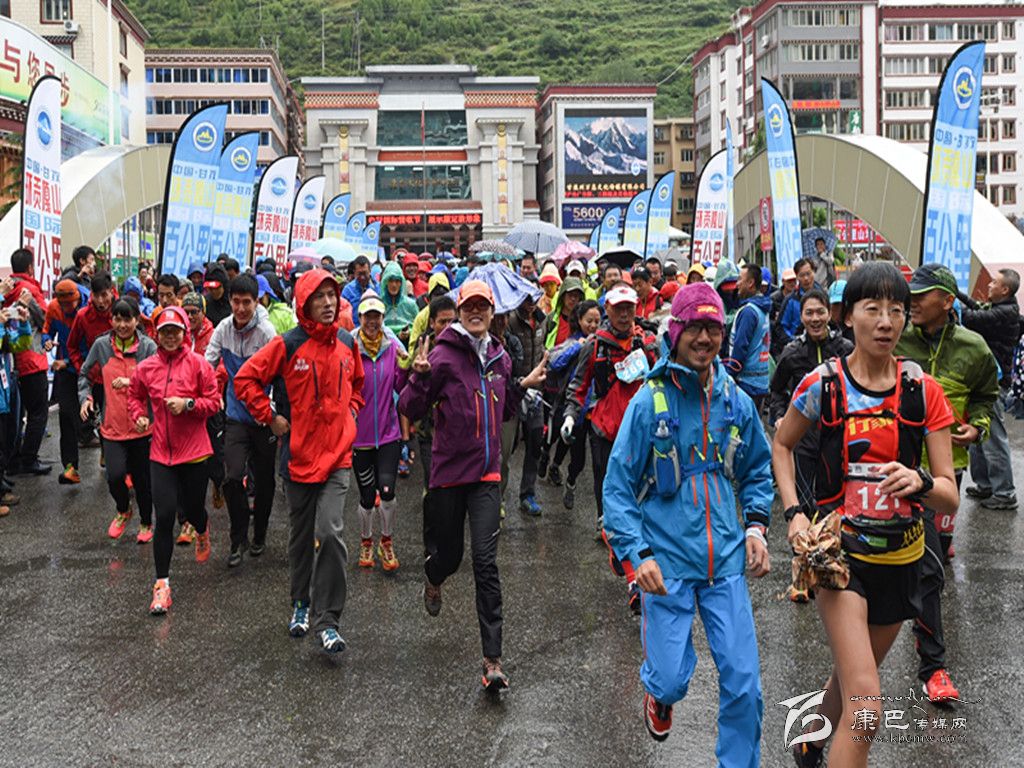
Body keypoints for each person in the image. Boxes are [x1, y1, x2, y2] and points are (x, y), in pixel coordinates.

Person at [773, 262, 959, 767]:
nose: (885, 321)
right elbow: (782, 445)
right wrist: (794, 514)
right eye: (872, 309)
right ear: (848, 315)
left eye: (896, 310)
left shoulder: (923, 391)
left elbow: (949, 495)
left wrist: (921, 482)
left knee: (852, 679)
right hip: (840, 558)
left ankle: (810, 743)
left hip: (902, 561)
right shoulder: (823, 385)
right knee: (867, 708)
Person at [604, 282, 773, 754]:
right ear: (675, 332)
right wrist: (637, 556)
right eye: (694, 328)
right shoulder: (648, 402)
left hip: (726, 563)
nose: (704, 338)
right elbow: (617, 488)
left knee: (745, 686)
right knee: (670, 679)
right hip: (666, 566)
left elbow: (757, 470)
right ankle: (659, 696)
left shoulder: (735, 400)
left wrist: (756, 527)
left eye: (713, 328)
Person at [398, 280, 547, 689]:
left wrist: (523, 386)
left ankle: (492, 659)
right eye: (469, 307)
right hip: (449, 476)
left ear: (493, 312)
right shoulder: (442, 356)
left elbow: (505, 407)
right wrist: (418, 378)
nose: (476, 312)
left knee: (485, 563)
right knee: (449, 558)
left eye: (483, 306)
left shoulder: (500, 356)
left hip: (486, 477)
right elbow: (409, 407)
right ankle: (433, 578)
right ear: (460, 312)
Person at [235, 269, 364, 654]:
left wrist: (352, 413)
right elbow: (245, 379)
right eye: (319, 296)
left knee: (331, 532)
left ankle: (329, 620)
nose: (328, 303)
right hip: (298, 459)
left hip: (338, 457)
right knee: (301, 537)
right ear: (304, 303)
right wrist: (270, 417)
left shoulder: (347, 342)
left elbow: (358, 384)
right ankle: (301, 604)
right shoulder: (288, 344)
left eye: (332, 295)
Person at [895, 263, 998, 703]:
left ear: (948, 301)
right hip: (893, 470)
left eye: (923, 295)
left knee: (931, 566)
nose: (913, 302)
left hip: (943, 475)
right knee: (907, 569)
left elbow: (987, 395)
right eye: (911, 294)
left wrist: (978, 427)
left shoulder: (974, 348)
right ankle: (857, 673)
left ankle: (931, 659)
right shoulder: (895, 338)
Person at [563, 283, 658, 611]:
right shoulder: (595, 346)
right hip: (605, 434)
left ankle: (633, 574)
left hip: (642, 437)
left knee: (642, 507)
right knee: (611, 510)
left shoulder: (647, 343)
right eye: (618, 308)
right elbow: (578, 386)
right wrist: (570, 416)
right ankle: (631, 574)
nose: (624, 314)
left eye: (629, 308)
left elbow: (664, 378)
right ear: (608, 309)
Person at [128, 306, 220, 616]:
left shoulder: (199, 365)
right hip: (161, 453)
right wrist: (139, 417)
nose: (170, 337)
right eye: (164, 332)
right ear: (157, 334)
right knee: (165, 515)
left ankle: (202, 529)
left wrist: (188, 404)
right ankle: (162, 585)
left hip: (194, 452)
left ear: (184, 333)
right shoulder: (146, 368)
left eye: (175, 331)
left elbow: (213, 403)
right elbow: (135, 396)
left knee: (193, 510)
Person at [769, 287, 853, 603]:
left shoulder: (845, 348)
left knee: (834, 506)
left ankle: (833, 569)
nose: (815, 318)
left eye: (820, 312)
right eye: (809, 313)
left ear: (829, 314)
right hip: (803, 441)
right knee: (803, 506)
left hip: (837, 440)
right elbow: (777, 392)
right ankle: (801, 578)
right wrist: (780, 418)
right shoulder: (792, 352)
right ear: (801, 317)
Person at [204, 274, 279, 567]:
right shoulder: (223, 328)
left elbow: (279, 375)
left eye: (247, 302)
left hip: (263, 417)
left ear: (257, 301)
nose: (241, 308)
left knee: (264, 481)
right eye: (236, 302)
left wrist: (274, 413)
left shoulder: (267, 333)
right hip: (235, 416)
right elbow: (207, 366)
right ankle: (237, 539)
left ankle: (259, 533)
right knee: (232, 477)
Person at [79, 298, 157, 542]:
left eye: (127, 319)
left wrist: (132, 382)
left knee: (143, 481)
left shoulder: (148, 347)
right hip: (112, 427)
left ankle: (146, 523)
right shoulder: (102, 346)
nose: (122, 325)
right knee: (114, 476)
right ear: (111, 320)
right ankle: (123, 510)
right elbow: (85, 374)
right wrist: (86, 398)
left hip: (142, 427)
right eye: (117, 319)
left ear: (137, 320)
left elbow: (157, 381)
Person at [352, 290, 407, 572]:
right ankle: (366, 540)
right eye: (367, 316)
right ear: (360, 318)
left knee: (387, 492)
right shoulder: (350, 348)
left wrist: (407, 368)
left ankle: (386, 541)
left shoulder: (392, 347)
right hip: (359, 439)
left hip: (388, 435)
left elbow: (401, 386)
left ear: (383, 318)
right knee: (365, 497)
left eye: (377, 316)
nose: (372, 322)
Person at [960, 267, 1021, 510]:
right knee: (979, 432)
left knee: (993, 437)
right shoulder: (1000, 308)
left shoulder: (1005, 313)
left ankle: (1005, 492)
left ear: (1004, 289)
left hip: (994, 384)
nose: (989, 285)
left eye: (994, 282)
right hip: (983, 379)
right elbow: (976, 307)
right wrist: (957, 293)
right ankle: (985, 484)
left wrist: (950, 300)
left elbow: (972, 318)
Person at [545, 300, 601, 508]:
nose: (593, 325)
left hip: (592, 411)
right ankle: (549, 462)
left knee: (580, 460)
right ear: (579, 320)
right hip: (571, 404)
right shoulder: (572, 342)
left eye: (597, 321)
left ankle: (571, 482)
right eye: (589, 321)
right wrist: (579, 346)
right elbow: (554, 362)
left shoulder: (603, 343)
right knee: (558, 439)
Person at [2, 251, 50, 476]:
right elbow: (45, 319)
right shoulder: (29, 290)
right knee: (38, 412)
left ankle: (12, 460)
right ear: (31, 267)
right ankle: (29, 458)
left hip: (11, 362)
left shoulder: (6, 291)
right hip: (32, 358)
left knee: (14, 416)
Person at [44, 279, 90, 484]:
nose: (66, 308)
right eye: (62, 304)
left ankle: (112, 458)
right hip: (66, 370)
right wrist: (46, 340)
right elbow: (47, 329)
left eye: (70, 304)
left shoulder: (89, 311)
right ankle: (70, 467)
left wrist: (69, 361)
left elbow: (92, 347)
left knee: (102, 413)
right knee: (66, 414)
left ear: (78, 299)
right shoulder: (54, 308)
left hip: (90, 368)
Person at [507, 293, 548, 516]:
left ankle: (527, 494)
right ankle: (497, 494)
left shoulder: (542, 319)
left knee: (535, 442)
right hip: (514, 389)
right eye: (527, 298)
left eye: (535, 298)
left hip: (536, 392)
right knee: (508, 446)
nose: (531, 303)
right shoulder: (510, 320)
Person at [722, 264, 772, 409]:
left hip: (746, 384)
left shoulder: (748, 312)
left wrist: (729, 375)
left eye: (740, 279)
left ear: (750, 283)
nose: (737, 284)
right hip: (760, 382)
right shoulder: (762, 308)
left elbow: (740, 348)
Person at [0, 304, 30, 516]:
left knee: (10, 437)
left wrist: (24, 323)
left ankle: (1, 479)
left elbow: (22, 344)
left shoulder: (4, 329)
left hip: (7, 388)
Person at [777, 258, 818, 348]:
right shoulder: (790, 300)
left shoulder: (823, 297)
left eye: (808, 274)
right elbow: (781, 328)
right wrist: (796, 341)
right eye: (802, 275)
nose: (806, 278)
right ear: (797, 277)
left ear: (814, 272)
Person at [378, 261, 419, 343]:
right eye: (391, 281)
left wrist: (409, 332)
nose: (394, 285)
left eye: (397, 281)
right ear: (386, 282)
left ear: (401, 283)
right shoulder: (379, 305)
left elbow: (419, 326)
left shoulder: (410, 304)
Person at [543, 276, 586, 349]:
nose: (573, 299)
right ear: (563, 296)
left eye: (576, 296)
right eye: (570, 295)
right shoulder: (551, 319)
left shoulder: (583, 319)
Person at [341, 255, 379, 326]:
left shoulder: (377, 288)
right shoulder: (348, 291)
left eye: (365, 273)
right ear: (354, 273)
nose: (362, 277)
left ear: (370, 271)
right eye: (359, 274)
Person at [202, 264, 232, 328]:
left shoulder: (234, 302)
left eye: (217, 288)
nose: (213, 291)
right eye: (210, 288)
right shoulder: (205, 303)